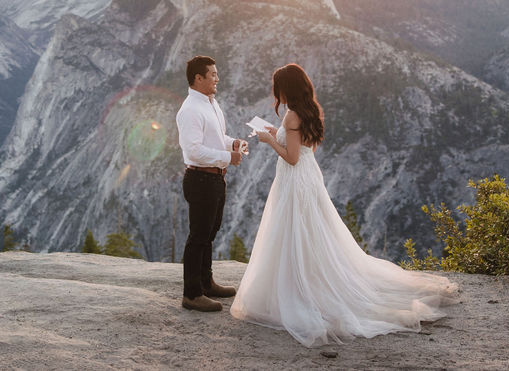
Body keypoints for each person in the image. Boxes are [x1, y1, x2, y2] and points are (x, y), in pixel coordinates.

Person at [230, 63, 456, 346]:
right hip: (309, 177)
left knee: (293, 232)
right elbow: (304, 148)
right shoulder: (309, 110)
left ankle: (298, 289)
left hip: (294, 177)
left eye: (278, 89)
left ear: (285, 89)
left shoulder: (291, 115)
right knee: (311, 232)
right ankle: (308, 281)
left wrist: (267, 139)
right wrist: (277, 132)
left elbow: (291, 157)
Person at [176, 55, 246, 312]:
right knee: (198, 236)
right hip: (200, 178)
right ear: (198, 78)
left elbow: (216, 138)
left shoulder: (211, 105)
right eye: (213, 74)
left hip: (215, 178)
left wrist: (233, 144)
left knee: (210, 233)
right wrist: (228, 157)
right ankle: (191, 294)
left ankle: (206, 282)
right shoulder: (190, 110)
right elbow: (193, 151)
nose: (217, 79)